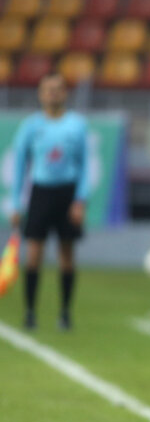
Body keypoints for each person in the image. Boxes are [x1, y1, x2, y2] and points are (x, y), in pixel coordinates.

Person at [8, 73, 89, 330]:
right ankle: (30, 312)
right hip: (40, 192)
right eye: (48, 89)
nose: (53, 93)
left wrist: (80, 200)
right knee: (33, 255)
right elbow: (20, 165)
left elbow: (84, 165)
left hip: (67, 193)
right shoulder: (31, 126)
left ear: (65, 93)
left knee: (66, 255)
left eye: (57, 89)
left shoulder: (76, 125)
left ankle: (65, 313)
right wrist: (15, 202)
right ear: (41, 94)